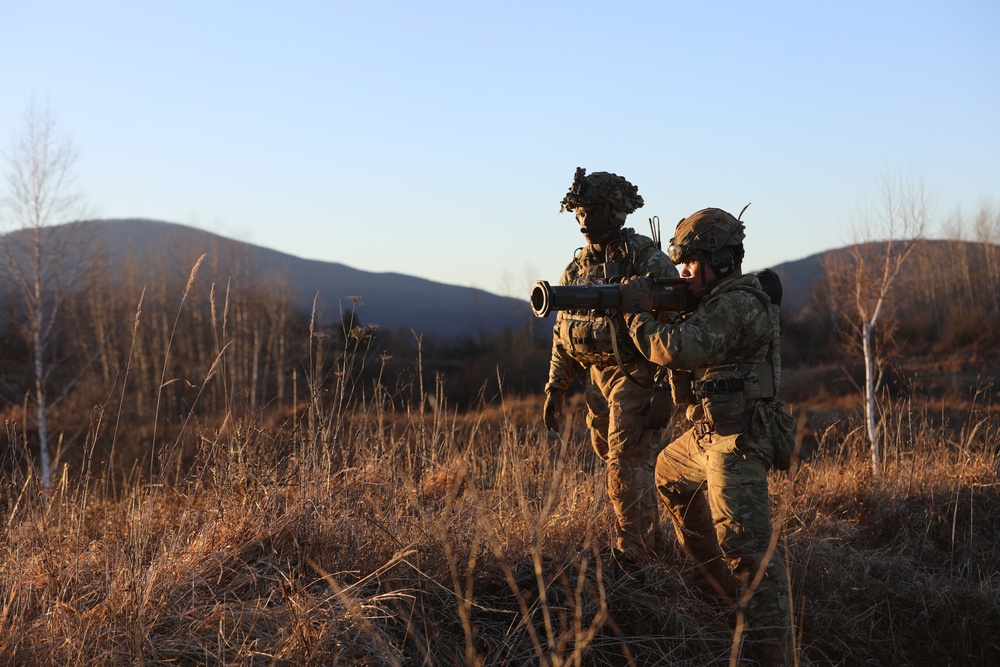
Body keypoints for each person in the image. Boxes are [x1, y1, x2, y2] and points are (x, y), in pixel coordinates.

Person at [618, 207, 792, 662]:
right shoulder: (714, 302)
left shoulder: (736, 303)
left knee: (751, 556)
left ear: (721, 260)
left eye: (692, 261)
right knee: (669, 473)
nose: (684, 271)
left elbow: (677, 349)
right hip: (711, 434)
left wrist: (637, 315)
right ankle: (715, 596)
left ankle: (774, 654)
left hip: (737, 441)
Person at [543, 167, 679, 563]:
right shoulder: (576, 268)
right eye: (581, 212)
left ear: (617, 211)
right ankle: (650, 547)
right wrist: (555, 387)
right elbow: (563, 333)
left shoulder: (646, 259)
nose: (586, 220)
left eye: (596, 210)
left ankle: (634, 557)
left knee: (627, 465)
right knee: (617, 462)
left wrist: (665, 389)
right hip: (596, 381)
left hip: (638, 376)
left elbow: (677, 327)